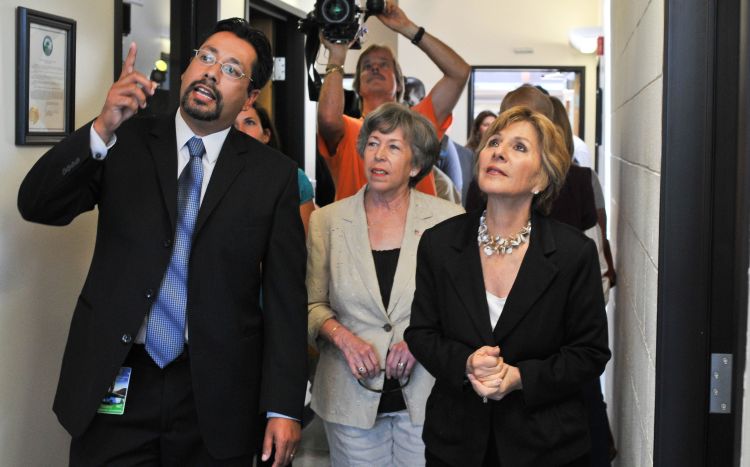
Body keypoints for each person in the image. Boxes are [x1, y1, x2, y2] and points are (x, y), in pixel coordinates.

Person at [18, 18, 307, 467]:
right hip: (119, 374)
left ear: (251, 96)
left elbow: (287, 297)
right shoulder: (126, 141)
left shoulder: (273, 177)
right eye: (206, 57)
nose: (211, 72)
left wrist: (284, 406)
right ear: (189, 66)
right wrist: (101, 127)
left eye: (231, 69)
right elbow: (38, 204)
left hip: (215, 391)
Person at [405, 106, 611, 466]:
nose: (497, 151)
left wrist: (519, 378)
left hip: (547, 447)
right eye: (494, 142)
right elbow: (422, 333)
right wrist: (467, 363)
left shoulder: (573, 254)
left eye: (519, 148)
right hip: (456, 443)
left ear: (541, 180)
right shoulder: (439, 244)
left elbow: (590, 353)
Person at [307, 103, 463, 466]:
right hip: (349, 397)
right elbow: (311, 304)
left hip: (427, 395)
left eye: (393, 146)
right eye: (373, 143)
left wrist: (418, 342)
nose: (379, 154)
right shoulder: (327, 221)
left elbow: (461, 306)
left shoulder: (449, 220)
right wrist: (343, 338)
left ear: (414, 164)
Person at [317, 2, 470, 201]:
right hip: (356, 230)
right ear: (358, 86)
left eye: (383, 65)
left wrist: (406, 27)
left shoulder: (419, 122)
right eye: (367, 66)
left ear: (398, 83)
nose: (374, 69)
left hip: (419, 231)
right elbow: (328, 120)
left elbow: (459, 73)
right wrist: (337, 57)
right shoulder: (348, 130)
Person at [235, 103, 316, 233]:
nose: (240, 131)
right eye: (233, 125)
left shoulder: (293, 177)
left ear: (266, 134)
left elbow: (307, 244)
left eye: (249, 122)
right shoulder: (214, 174)